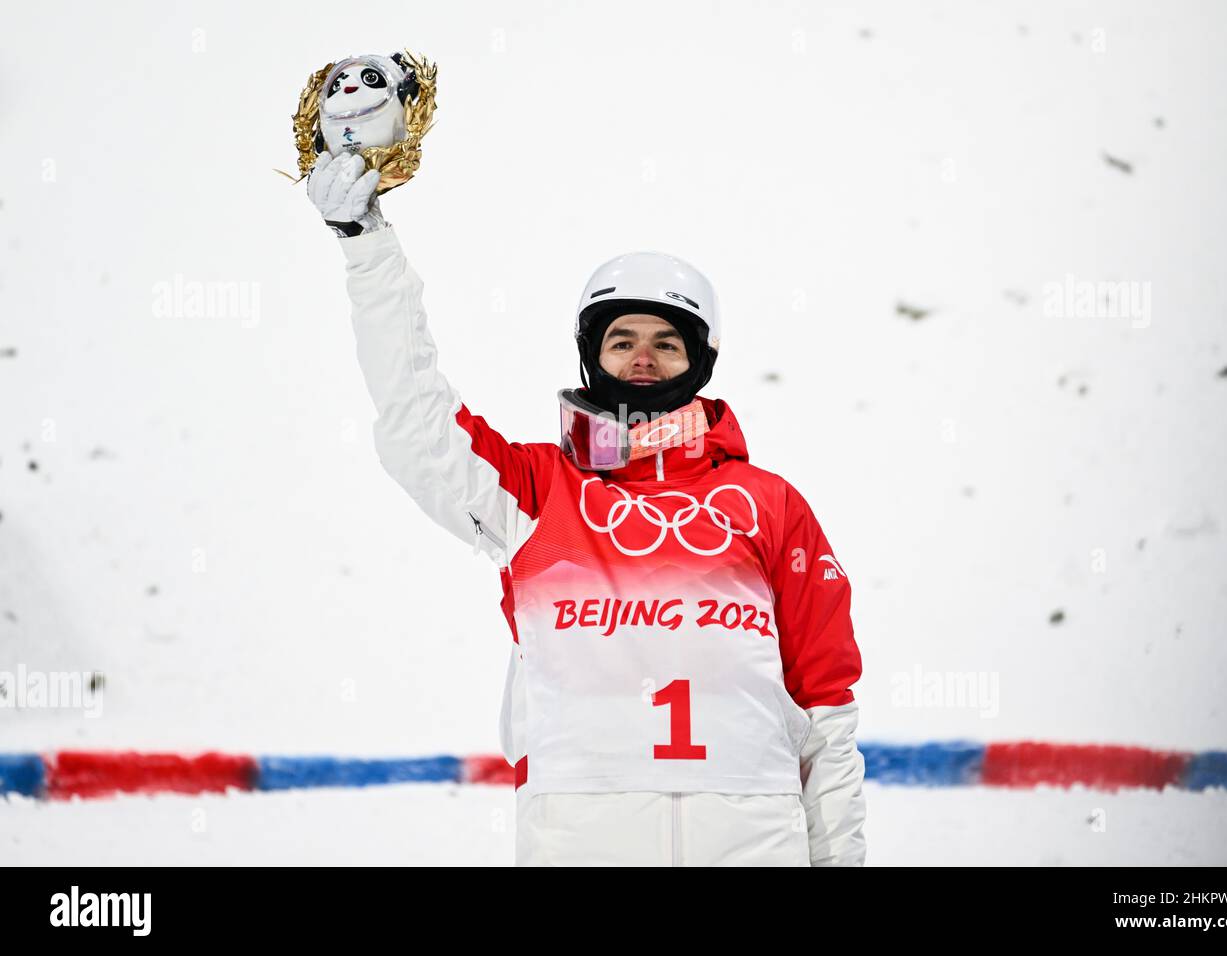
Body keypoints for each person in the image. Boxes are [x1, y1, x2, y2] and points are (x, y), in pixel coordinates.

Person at [308, 150, 866, 866]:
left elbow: (826, 715)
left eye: (666, 343)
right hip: (579, 837)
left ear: (700, 360)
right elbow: (418, 422)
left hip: (754, 841)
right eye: (621, 340)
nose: (642, 357)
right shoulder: (537, 490)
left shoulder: (769, 505)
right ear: (590, 356)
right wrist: (366, 246)